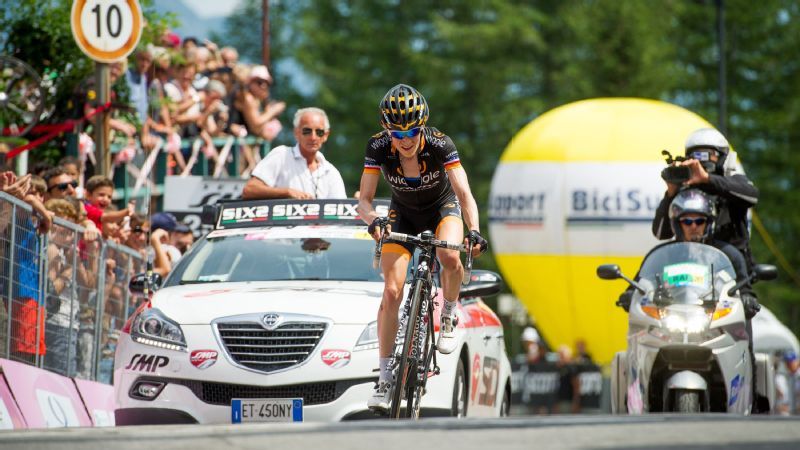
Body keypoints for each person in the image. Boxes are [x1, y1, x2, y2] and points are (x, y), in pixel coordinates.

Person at [357, 84, 488, 411]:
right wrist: (373, 220)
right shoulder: (378, 146)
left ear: (423, 126)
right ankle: (385, 376)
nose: (406, 140)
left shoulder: (441, 144)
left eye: (413, 131)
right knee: (391, 291)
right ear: (387, 131)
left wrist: (474, 231)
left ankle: (447, 311)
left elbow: (464, 194)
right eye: (397, 133)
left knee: (449, 255)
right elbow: (363, 200)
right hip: (402, 214)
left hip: (442, 209)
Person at [652, 128, 759, 271]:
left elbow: (752, 195)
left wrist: (708, 180)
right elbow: (661, 233)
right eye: (696, 156)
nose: (702, 161)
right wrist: (671, 193)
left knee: (745, 293)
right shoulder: (685, 190)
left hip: (732, 273)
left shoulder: (732, 184)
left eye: (710, 154)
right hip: (691, 273)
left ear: (723, 158)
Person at [242, 107, 346, 200]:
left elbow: (341, 212)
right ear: (296, 133)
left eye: (319, 132)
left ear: (326, 135)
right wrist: (286, 192)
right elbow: (249, 190)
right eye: (307, 131)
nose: (313, 137)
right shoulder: (281, 155)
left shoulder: (331, 172)